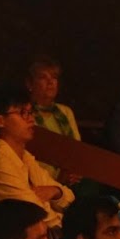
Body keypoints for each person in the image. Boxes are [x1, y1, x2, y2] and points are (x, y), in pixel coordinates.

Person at [0, 85, 74, 230]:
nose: (31, 119)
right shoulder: (0, 159)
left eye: (31, 112)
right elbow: (34, 213)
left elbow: (69, 198)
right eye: (23, 113)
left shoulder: (24, 156)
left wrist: (55, 191)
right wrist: (68, 225)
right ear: (0, 120)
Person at [25, 55, 82, 184]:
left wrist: (72, 172)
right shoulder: (24, 113)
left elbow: (76, 148)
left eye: (54, 78)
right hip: (37, 181)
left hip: (69, 182)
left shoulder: (65, 112)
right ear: (30, 84)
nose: (50, 82)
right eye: (43, 77)